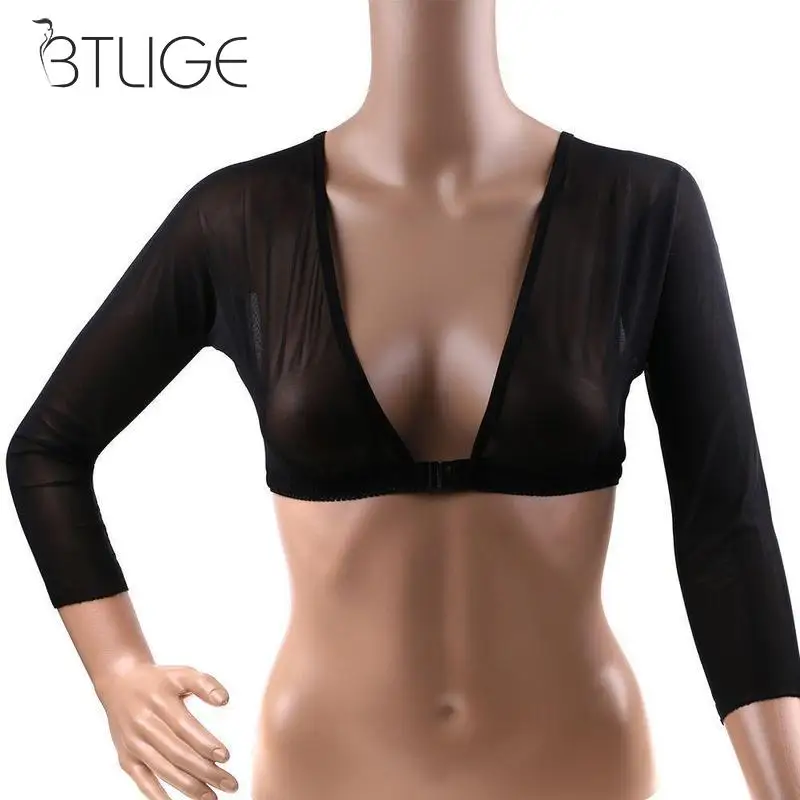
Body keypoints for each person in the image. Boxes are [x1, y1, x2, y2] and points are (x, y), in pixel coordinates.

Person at [8, 2, 800, 798]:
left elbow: (725, 528)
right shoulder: (240, 217)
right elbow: (48, 450)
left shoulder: (644, 206)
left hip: (576, 761)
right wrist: (118, 670)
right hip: (325, 766)